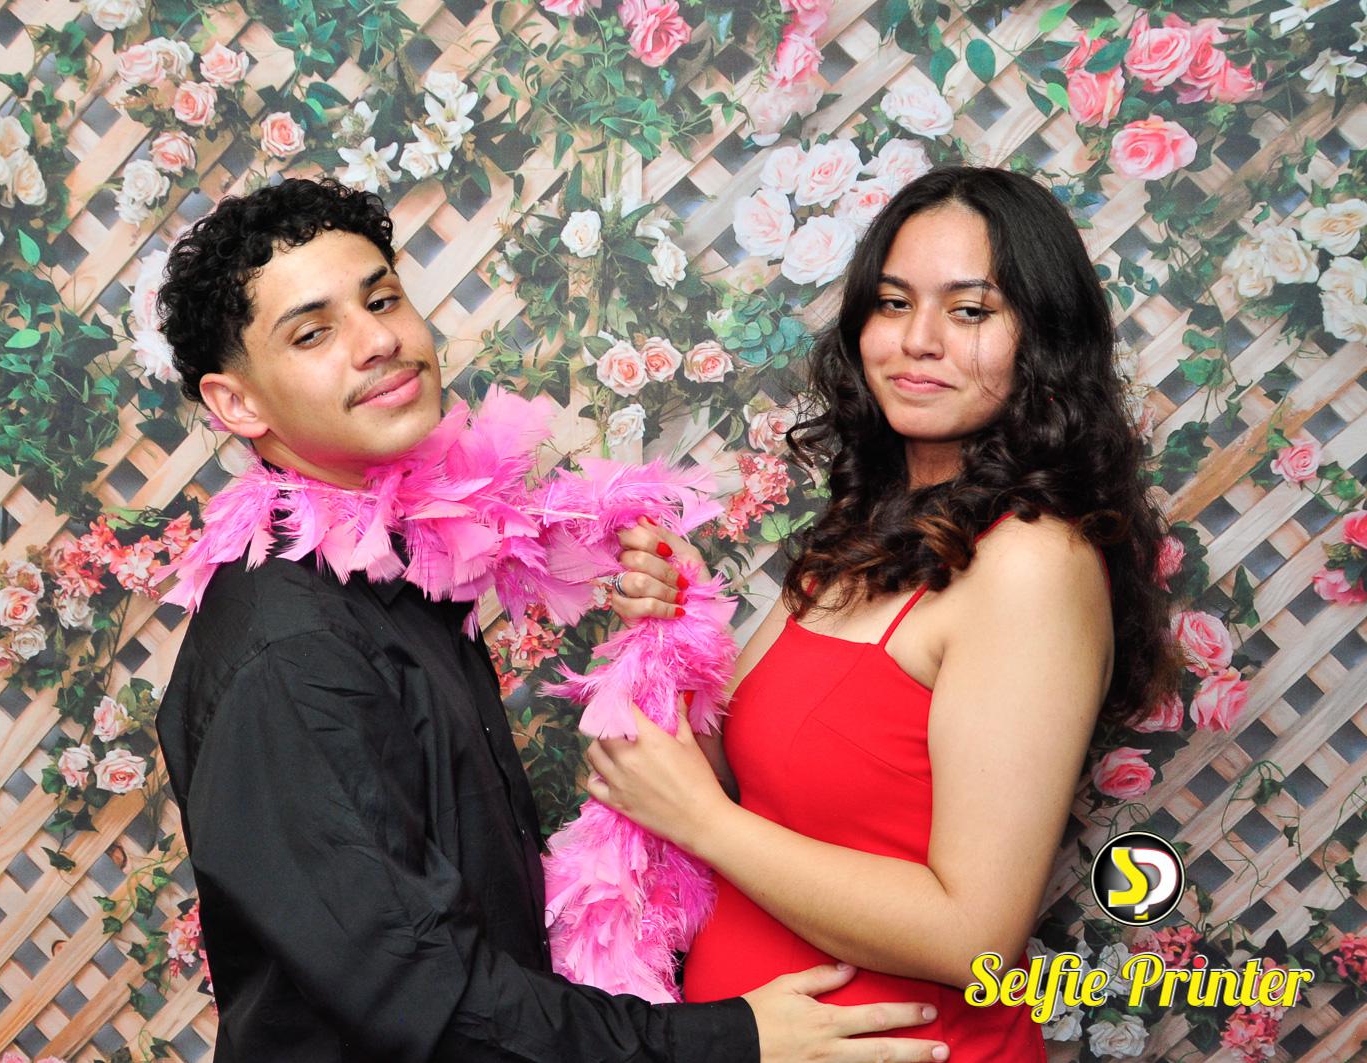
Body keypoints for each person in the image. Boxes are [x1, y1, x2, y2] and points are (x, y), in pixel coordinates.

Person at [149, 175, 954, 1062]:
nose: (379, 340)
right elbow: (433, 1005)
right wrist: (738, 1040)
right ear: (238, 403)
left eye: (381, 299)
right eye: (312, 332)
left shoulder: (390, 568)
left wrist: (658, 604)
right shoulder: (291, 654)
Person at [592, 166, 1176, 1060]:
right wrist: (680, 618)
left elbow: (975, 937)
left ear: (1043, 340)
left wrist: (703, 823)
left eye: (970, 311)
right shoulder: (866, 527)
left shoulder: (1032, 563)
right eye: (893, 303)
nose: (917, 340)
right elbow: (735, 779)